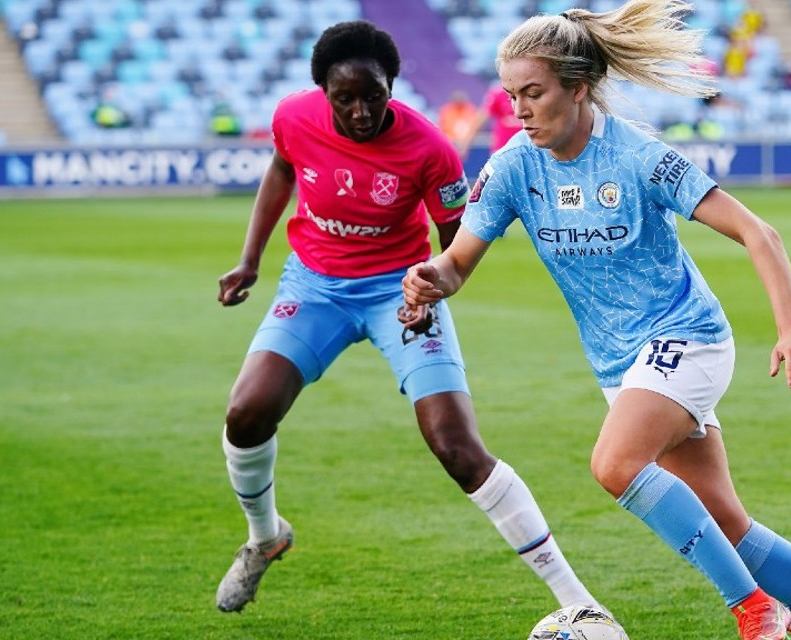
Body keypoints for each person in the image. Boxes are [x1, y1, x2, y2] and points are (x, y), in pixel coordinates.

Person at [401, 3, 791, 639]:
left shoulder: (639, 156)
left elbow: (758, 232)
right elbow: (456, 265)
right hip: (620, 364)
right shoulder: (513, 167)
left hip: (686, 339)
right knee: (729, 527)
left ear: (577, 86)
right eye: (512, 95)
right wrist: (430, 280)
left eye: (533, 92)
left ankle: (755, 610)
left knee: (615, 464)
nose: (520, 109)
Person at [213, 19, 598, 615]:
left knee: (456, 445)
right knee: (246, 412)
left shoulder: (430, 151)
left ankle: (578, 604)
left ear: (392, 84)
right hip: (314, 286)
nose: (362, 111)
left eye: (375, 95)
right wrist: (249, 261)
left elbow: (456, 238)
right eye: (346, 99)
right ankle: (264, 538)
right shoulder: (293, 117)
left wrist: (430, 293)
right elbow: (283, 170)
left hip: (400, 293)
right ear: (322, 94)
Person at [459, 80, 523, 158]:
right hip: (502, 150)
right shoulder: (498, 93)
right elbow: (481, 119)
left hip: (527, 151)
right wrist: (465, 144)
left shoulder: (532, 92)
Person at [437, 89, 480, 158]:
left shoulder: (470, 109)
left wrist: (465, 143)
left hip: (468, 144)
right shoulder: (447, 110)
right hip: (450, 143)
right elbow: (443, 128)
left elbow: (474, 128)